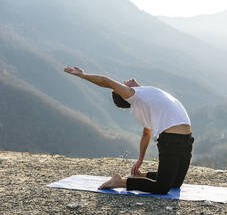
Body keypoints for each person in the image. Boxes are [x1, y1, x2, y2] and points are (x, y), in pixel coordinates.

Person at [64, 66, 194, 194]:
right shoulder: (134, 95)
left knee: (176, 183)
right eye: (122, 85)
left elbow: (146, 134)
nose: (124, 82)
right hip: (171, 141)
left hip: (186, 140)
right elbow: (105, 81)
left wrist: (140, 160)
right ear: (124, 94)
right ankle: (120, 182)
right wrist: (83, 75)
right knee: (162, 188)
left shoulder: (145, 100)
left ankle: (140, 175)